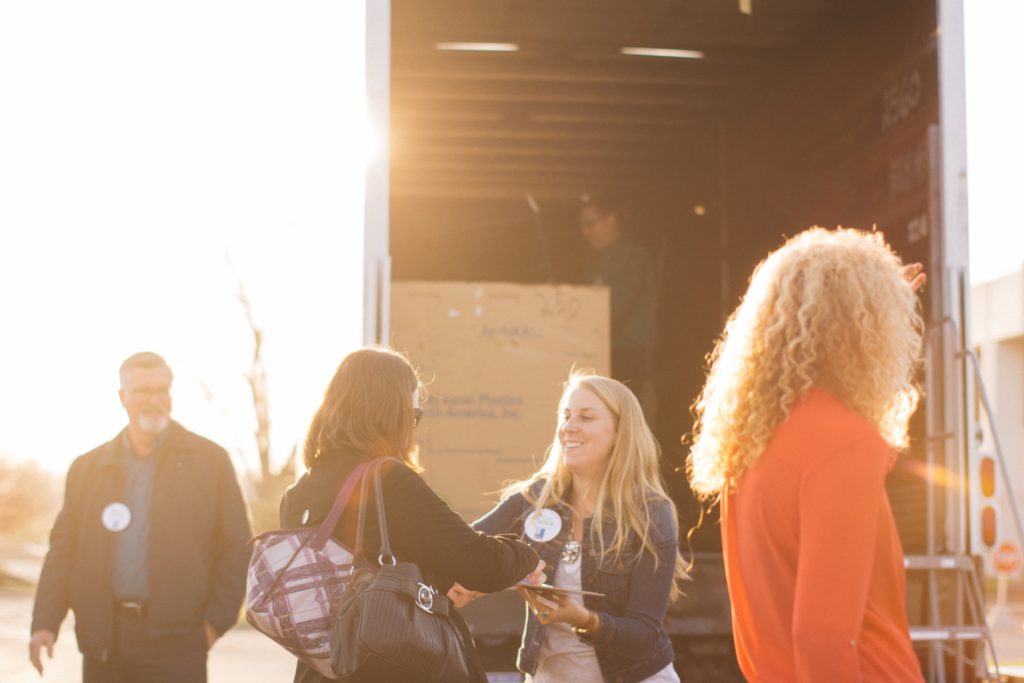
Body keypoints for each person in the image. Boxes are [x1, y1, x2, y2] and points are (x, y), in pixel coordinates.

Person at [687, 227, 927, 682]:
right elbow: (821, 634)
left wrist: (880, 296)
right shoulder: (846, 444)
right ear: (860, 330)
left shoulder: (751, 441)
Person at [278, 346, 542, 683]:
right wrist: (527, 554)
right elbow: (482, 563)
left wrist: (442, 581)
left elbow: (351, 574)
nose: (414, 427)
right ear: (393, 415)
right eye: (414, 415)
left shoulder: (299, 493)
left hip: (322, 671)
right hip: (386, 666)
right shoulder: (389, 480)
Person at [29, 351, 254, 682]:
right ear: (122, 397)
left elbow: (237, 548)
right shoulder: (87, 469)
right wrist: (45, 623)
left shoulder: (210, 461)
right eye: (143, 391)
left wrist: (213, 625)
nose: (154, 399)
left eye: (162, 390)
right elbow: (63, 552)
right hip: (105, 643)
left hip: (178, 645)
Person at [453, 371, 687, 683]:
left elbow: (643, 634)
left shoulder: (650, 512)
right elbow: (463, 548)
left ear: (621, 432)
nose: (569, 427)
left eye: (586, 417)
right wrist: (471, 583)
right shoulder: (534, 498)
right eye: (566, 416)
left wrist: (585, 619)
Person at [579, 194, 657, 393]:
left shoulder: (632, 258)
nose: (584, 232)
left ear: (611, 220)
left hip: (627, 356)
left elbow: (612, 310)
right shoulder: (597, 261)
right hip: (604, 354)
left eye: (590, 223)